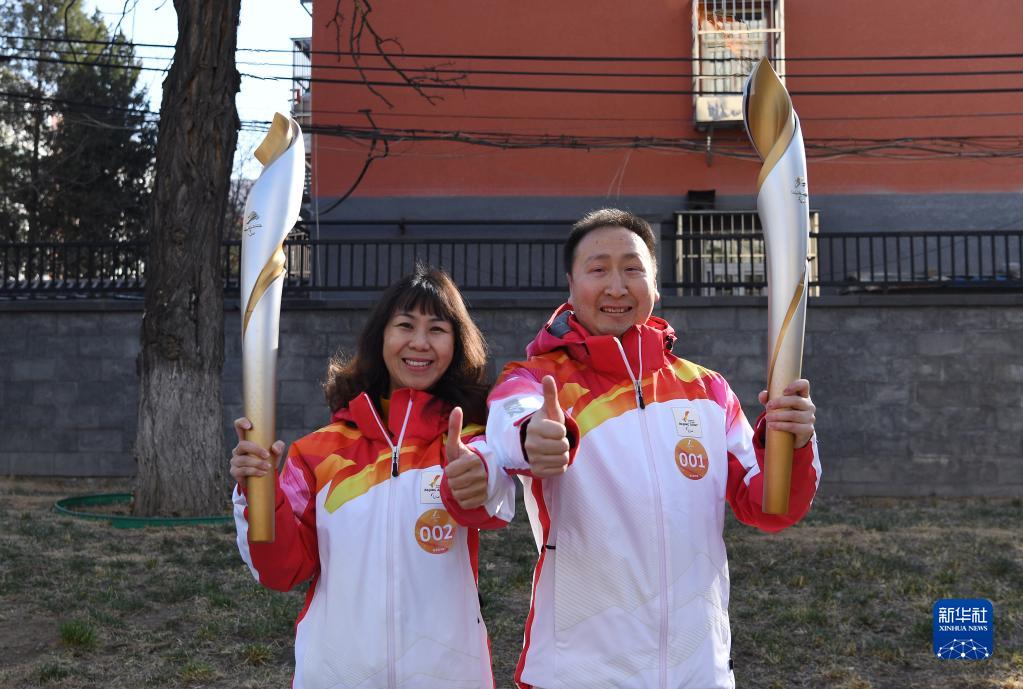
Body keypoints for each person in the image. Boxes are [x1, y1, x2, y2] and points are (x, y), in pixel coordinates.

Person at [442, 209, 821, 689]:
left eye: (633, 269)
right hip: (580, 672)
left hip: (697, 668)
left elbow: (770, 506)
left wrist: (791, 443)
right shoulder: (535, 379)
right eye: (598, 269)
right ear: (571, 286)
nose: (617, 287)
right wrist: (535, 436)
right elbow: (509, 426)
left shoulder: (707, 391)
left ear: (655, 286)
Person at [230, 265, 515, 689]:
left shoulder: (467, 440)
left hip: (447, 675)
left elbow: (492, 504)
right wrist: (259, 493)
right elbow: (281, 570)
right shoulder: (318, 454)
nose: (420, 343)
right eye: (405, 326)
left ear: (456, 345)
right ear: (380, 337)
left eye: (437, 329)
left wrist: (477, 479)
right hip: (338, 676)